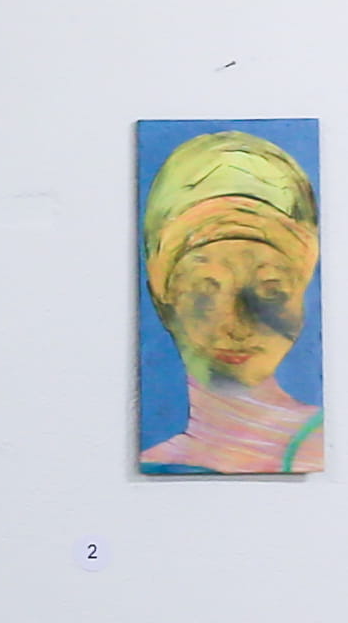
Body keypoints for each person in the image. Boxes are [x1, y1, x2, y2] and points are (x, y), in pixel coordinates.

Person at [137, 128, 323, 475]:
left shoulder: (318, 446)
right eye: (205, 291)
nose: (236, 326)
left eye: (270, 291)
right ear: (162, 301)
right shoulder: (157, 461)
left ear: (301, 297)